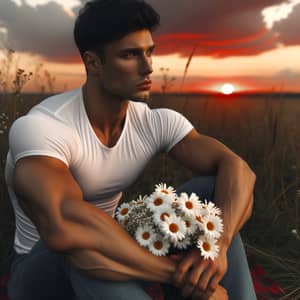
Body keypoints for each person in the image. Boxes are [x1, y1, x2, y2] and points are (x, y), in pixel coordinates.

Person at [5, 0, 257, 299]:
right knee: (79, 242)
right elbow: (63, 225)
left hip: (114, 251)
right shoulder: (43, 128)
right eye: (129, 55)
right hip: (42, 272)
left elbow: (238, 169)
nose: (148, 66)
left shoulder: (155, 121)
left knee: (214, 189)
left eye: (149, 51)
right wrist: (182, 277)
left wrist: (218, 246)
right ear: (93, 63)